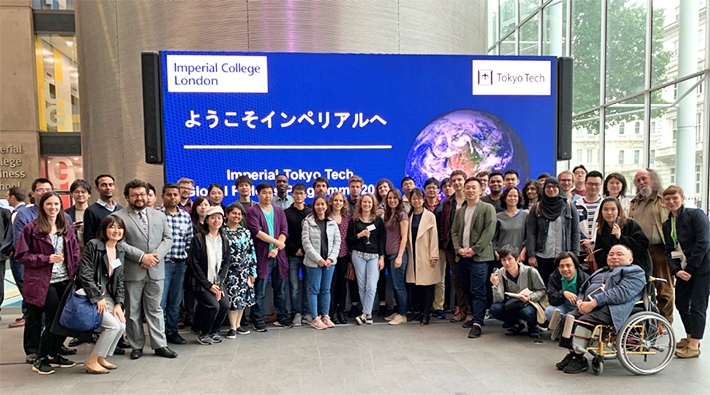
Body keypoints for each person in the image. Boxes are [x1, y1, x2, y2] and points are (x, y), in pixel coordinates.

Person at [15, 192, 81, 374]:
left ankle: (55, 353)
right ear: (42, 206)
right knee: (54, 318)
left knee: (66, 318)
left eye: (56, 204)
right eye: (49, 204)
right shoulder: (31, 228)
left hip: (65, 280)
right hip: (44, 282)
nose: (53, 207)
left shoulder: (65, 226)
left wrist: (76, 274)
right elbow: (21, 255)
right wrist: (46, 258)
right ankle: (41, 358)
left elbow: (75, 252)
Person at [555, 245, 646, 374]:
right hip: (589, 304)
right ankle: (572, 354)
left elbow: (621, 293)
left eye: (619, 254)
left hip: (611, 307)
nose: (614, 257)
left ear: (630, 259)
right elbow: (584, 289)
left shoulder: (635, 272)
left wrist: (594, 303)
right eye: (611, 254)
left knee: (582, 323)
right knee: (567, 319)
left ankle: (580, 358)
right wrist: (580, 300)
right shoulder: (602, 271)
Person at [113, 179, 176, 360]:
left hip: (156, 269)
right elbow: (119, 242)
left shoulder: (159, 215)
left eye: (142, 194)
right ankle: (136, 346)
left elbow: (168, 238)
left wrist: (154, 256)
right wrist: (142, 256)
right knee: (132, 311)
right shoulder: (119, 217)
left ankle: (160, 345)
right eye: (135, 195)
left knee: (156, 309)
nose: (139, 198)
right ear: (127, 197)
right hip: (133, 270)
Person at [662, 185, 710, 359]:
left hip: (702, 269)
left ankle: (694, 345)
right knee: (681, 303)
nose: (671, 201)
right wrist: (676, 270)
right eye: (667, 199)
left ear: (683, 198)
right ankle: (690, 336)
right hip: (682, 270)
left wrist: (690, 269)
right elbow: (669, 250)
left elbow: (703, 243)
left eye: (675, 198)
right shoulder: (667, 224)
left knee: (698, 306)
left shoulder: (696, 215)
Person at [76, 215, 127, 374]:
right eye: (112, 227)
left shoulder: (120, 249)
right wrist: (97, 297)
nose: (116, 231)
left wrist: (119, 303)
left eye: (119, 227)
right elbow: (85, 274)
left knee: (121, 325)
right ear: (104, 229)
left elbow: (120, 278)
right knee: (112, 326)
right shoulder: (94, 245)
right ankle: (91, 361)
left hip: (108, 296)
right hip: (91, 295)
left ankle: (101, 357)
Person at [451, 178, 496, 338]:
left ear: (480, 190)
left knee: (478, 289)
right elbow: (454, 232)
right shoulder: (460, 211)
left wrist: (474, 250)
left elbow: (488, 232)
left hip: (480, 258)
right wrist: (459, 249)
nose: (470, 190)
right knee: (465, 287)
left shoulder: (487, 208)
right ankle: (475, 315)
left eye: (473, 188)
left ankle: (477, 322)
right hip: (462, 256)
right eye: (467, 188)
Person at [629, 168, 674, 323]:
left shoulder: (664, 199)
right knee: (642, 287)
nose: (641, 183)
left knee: (664, 290)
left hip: (660, 250)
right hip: (640, 251)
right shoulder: (635, 202)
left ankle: (665, 322)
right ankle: (647, 321)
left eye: (644, 179)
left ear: (653, 179)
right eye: (638, 180)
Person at [246, 182, 291, 331]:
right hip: (262, 256)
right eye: (264, 193)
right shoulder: (253, 211)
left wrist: (277, 248)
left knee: (280, 289)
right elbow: (257, 232)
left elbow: (284, 230)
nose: (267, 195)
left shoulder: (279, 211)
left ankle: (282, 316)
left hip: (279, 256)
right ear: (257, 194)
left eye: (270, 193)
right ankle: (258, 319)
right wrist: (277, 243)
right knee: (260, 289)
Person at [187, 206, 230, 345]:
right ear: (207, 220)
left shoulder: (224, 239)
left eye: (219, 218)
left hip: (217, 282)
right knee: (213, 306)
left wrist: (218, 282)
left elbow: (226, 262)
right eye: (212, 218)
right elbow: (194, 264)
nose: (216, 220)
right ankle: (203, 333)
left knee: (224, 305)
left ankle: (214, 331)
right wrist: (209, 285)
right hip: (201, 282)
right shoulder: (199, 239)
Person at [526, 177, 580, 287]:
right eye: (548, 187)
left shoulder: (569, 206)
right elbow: (531, 232)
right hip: (543, 255)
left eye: (554, 186)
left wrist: (575, 254)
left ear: (559, 188)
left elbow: (575, 232)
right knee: (544, 285)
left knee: (563, 285)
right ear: (544, 189)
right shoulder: (537, 207)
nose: (551, 189)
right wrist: (531, 254)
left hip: (564, 255)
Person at [158, 184, 193, 345]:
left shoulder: (185, 217)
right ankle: (158, 335)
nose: (172, 197)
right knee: (160, 301)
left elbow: (189, 241)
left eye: (175, 195)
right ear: (163, 196)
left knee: (175, 300)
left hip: (180, 264)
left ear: (179, 197)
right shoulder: (156, 215)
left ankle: (172, 331)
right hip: (161, 264)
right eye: (169, 195)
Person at [301, 195, 341, 330]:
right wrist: (319, 259)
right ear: (314, 206)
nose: (320, 207)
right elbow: (306, 243)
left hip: (330, 263)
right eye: (317, 204)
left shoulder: (332, 222)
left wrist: (330, 258)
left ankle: (325, 315)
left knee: (326, 289)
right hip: (314, 263)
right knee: (314, 289)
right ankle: (315, 318)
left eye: (323, 204)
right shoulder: (308, 222)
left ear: (327, 206)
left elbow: (337, 242)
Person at [490, 245, 546, 338]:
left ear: (517, 259)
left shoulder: (530, 271)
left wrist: (530, 297)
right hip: (512, 302)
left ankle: (532, 326)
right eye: (503, 260)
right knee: (495, 309)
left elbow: (542, 291)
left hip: (529, 302)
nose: (507, 263)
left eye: (510, 259)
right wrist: (495, 286)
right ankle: (515, 324)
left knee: (526, 312)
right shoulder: (500, 272)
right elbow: (499, 299)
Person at [346, 193, 385, 325]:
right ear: (360, 204)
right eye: (364, 202)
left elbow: (381, 241)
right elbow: (349, 241)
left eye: (369, 202)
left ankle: (365, 313)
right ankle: (367, 314)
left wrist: (382, 257)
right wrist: (360, 235)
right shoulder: (354, 221)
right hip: (358, 255)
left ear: (373, 204)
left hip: (373, 256)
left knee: (372, 286)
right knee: (361, 286)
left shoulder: (378, 221)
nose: (367, 204)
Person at [405, 188, 440, 325]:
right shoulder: (409, 215)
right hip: (413, 254)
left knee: (428, 285)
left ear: (423, 199)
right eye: (414, 198)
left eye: (419, 198)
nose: (416, 200)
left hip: (426, 254)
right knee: (417, 285)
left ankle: (427, 313)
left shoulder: (430, 216)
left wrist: (434, 255)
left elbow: (434, 237)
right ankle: (419, 311)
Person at [440, 170, 471, 323]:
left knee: (470, 280)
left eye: (460, 180)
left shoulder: (473, 200)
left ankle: (471, 311)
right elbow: (443, 223)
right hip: (452, 247)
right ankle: (462, 310)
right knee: (457, 280)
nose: (457, 183)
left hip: (470, 247)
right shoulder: (447, 202)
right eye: (454, 180)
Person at [593, 197, 651, 275]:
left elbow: (642, 245)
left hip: (636, 269)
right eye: (606, 209)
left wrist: (621, 237)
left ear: (618, 211)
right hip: (612, 271)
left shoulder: (630, 224)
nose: (609, 213)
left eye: (613, 209)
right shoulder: (601, 230)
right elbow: (599, 253)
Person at [223, 202, 256, 337]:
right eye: (234, 213)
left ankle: (238, 325)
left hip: (244, 271)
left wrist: (252, 271)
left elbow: (251, 251)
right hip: (229, 271)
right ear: (227, 215)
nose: (237, 216)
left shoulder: (245, 232)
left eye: (239, 214)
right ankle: (232, 327)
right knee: (232, 299)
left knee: (241, 298)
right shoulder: (222, 232)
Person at [284, 183, 312, 326]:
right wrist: (295, 249)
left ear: (306, 195)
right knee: (294, 286)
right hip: (293, 254)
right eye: (296, 193)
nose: (299, 196)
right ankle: (296, 313)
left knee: (308, 286)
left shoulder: (311, 212)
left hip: (309, 256)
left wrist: (307, 250)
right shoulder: (286, 212)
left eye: (302, 193)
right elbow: (284, 233)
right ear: (292, 195)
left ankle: (307, 313)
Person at [3, 187, 28, 330]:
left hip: (18, 257)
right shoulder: (24, 212)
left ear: (13, 197)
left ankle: (27, 314)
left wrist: (13, 252)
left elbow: (15, 237)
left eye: (8, 196)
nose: (6, 199)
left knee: (23, 284)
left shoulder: (18, 214)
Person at [383, 189, 409, 325]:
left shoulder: (402, 214)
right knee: (394, 285)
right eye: (389, 198)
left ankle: (402, 314)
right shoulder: (389, 214)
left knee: (399, 286)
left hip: (397, 254)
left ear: (399, 200)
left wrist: (399, 256)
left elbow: (404, 237)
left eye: (394, 198)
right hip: (388, 254)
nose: (392, 200)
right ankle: (398, 310)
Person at [424, 178, 447, 319]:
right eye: (429, 188)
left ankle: (438, 306)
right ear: (425, 190)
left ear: (438, 190)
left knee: (440, 278)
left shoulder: (445, 206)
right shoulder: (420, 205)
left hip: (440, 247)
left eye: (434, 187)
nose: (431, 190)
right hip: (423, 247)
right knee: (424, 278)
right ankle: (424, 306)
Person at [545, 252, 590, 324]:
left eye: (568, 265)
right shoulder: (554, 277)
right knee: (549, 311)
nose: (565, 269)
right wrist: (563, 293)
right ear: (558, 268)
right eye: (561, 266)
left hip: (579, 309)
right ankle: (560, 330)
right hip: (563, 307)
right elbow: (551, 299)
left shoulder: (585, 278)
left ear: (575, 266)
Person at [328, 192, 351, 324]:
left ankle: (341, 310)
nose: (338, 203)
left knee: (342, 286)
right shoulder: (327, 216)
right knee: (331, 285)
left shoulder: (347, 217)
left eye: (340, 201)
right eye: (335, 200)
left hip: (343, 256)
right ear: (331, 202)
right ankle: (332, 312)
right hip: (330, 257)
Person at [493, 187, 528, 263]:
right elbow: (494, 237)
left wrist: (523, 252)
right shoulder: (498, 216)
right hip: (502, 256)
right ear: (505, 198)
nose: (512, 198)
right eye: (509, 196)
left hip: (519, 256)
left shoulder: (525, 215)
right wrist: (495, 251)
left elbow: (529, 236)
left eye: (515, 196)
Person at [84, 174, 123, 243]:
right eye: (104, 185)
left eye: (111, 185)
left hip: (121, 251)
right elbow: (89, 238)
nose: (108, 188)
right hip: (101, 252)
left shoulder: (121, 209)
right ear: (97, 188)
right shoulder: (91, 211)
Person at [576, 170, 604, 262]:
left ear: (601, 185)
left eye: (597, 184)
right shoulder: (575, 204)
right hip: (579, 250)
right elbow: (572, 227)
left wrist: (593, 242)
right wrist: (584, 241)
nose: (593, 187)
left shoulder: (606, 205)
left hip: (600, 249)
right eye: (590, 184)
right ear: (585, 184)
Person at [66, 179, 92, 249]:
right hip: (73, 250)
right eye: (76, 192)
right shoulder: (65, 214)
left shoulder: (94, 212)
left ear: (89, 194)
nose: (80, 194)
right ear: (71, 194)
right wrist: (71, 228)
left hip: (90, 251)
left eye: (83, 192)